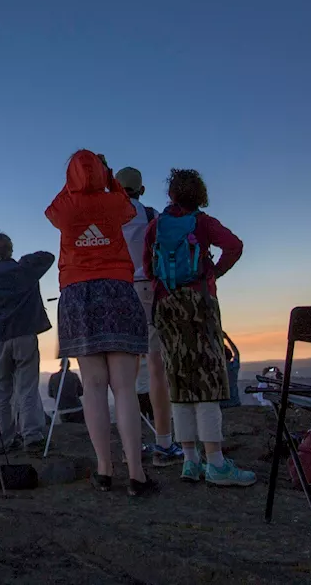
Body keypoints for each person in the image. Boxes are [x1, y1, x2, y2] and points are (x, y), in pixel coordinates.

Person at [45, 150, 156, 497]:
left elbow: (54, 208)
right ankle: (136, 474)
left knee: (93, 387)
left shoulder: (65, 207)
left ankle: (104, 470)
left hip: (77, 293)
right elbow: (125, 203)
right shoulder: (114, 203)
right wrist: (106, 177)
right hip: (118, 289)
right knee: (124, 387)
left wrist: (77, 181)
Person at [143, 168, 254, 488]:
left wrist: (164, 287)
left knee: (178, 380)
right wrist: (213, 274)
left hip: (166, 306)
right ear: (200, 194)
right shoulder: (204, 223)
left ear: (172, 195)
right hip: (200, 303)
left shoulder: (156, 226)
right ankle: (217, 463)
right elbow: (234, 245)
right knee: (207, 380)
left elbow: (148, 266)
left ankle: (190, 461)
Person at [116, 167, 183, 466]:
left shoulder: (105, 218)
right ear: (141, 191)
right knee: (156, 367)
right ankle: (164, 444)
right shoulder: (151, 214)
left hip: (115, 292)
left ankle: (130, 447)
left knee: (123, 375)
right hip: (146, 290)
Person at [0, 232, 55, 453]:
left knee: (1, 391)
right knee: (27, 387)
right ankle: (31, 435)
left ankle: (4, 439)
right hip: (24, 334)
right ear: (11, 249)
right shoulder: (26, 269)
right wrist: (23, 261)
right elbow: (48, 256)